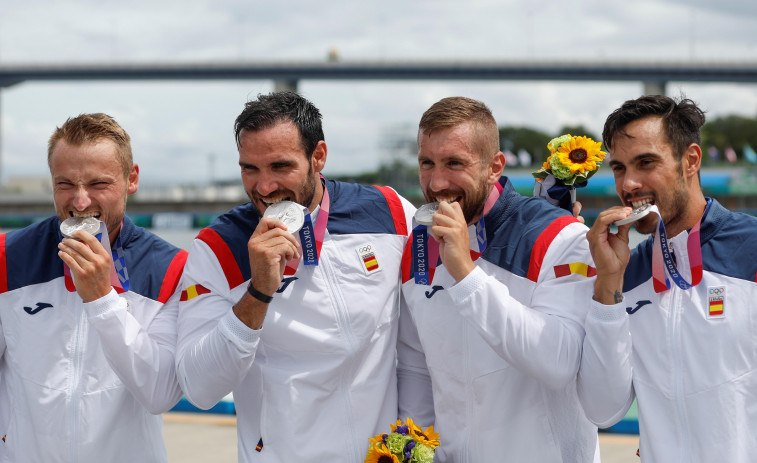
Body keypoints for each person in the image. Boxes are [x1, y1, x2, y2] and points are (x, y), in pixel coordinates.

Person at [175, 91, 415, 463]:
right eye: (249, 169)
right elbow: (200, 388)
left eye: (280, 166)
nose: (265, 187)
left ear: (318, 156)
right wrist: (258, 292)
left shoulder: (390, 212)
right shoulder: (217, 248)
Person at [397, 96, 600, 462]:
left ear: (495, 166)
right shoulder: (419, 245)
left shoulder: (559, 235)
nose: (437, 182)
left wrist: (465, 275)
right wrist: (418, 452)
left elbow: (560, 364)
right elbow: (415, 365)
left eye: (454, 163)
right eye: (427, 163)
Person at [577, 94, 757, 462]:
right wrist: (607, 284)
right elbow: (602, 409)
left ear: (690, 160)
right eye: (618, 168)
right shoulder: (626, 272)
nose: (629, 184)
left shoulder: (751, 246)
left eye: (646, 163)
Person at [0, 113, 187, 462]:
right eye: (65, 184)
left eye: (99, 184)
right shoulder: (8, 257)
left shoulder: (172, 269)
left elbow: (160, 393)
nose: (80, 202)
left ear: (131, 179)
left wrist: (103, 301)